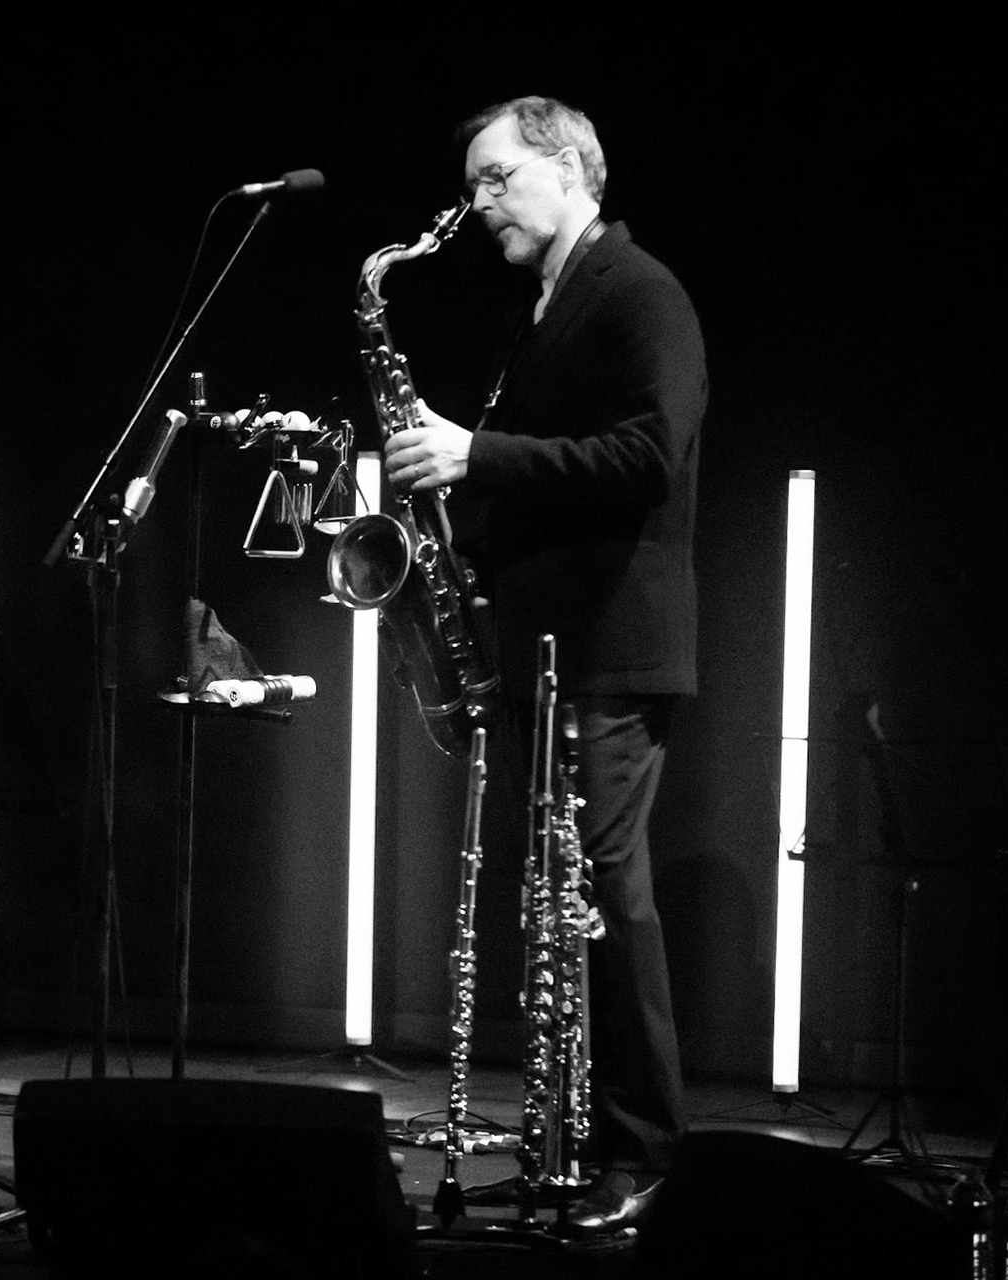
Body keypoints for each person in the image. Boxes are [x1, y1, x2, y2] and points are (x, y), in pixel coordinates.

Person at [386, 95, 707, 1235]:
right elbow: (539, 478)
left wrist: (477, 450)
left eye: (495, 179)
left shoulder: (639, 290)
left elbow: (646, 457)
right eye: (473, 183)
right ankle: (572, 1136)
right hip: (552, 646)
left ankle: (643, 1149)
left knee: (604, 901)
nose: (477, 206)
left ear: (570, 169)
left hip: (613, 649)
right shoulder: (552, 302)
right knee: (563, 905)